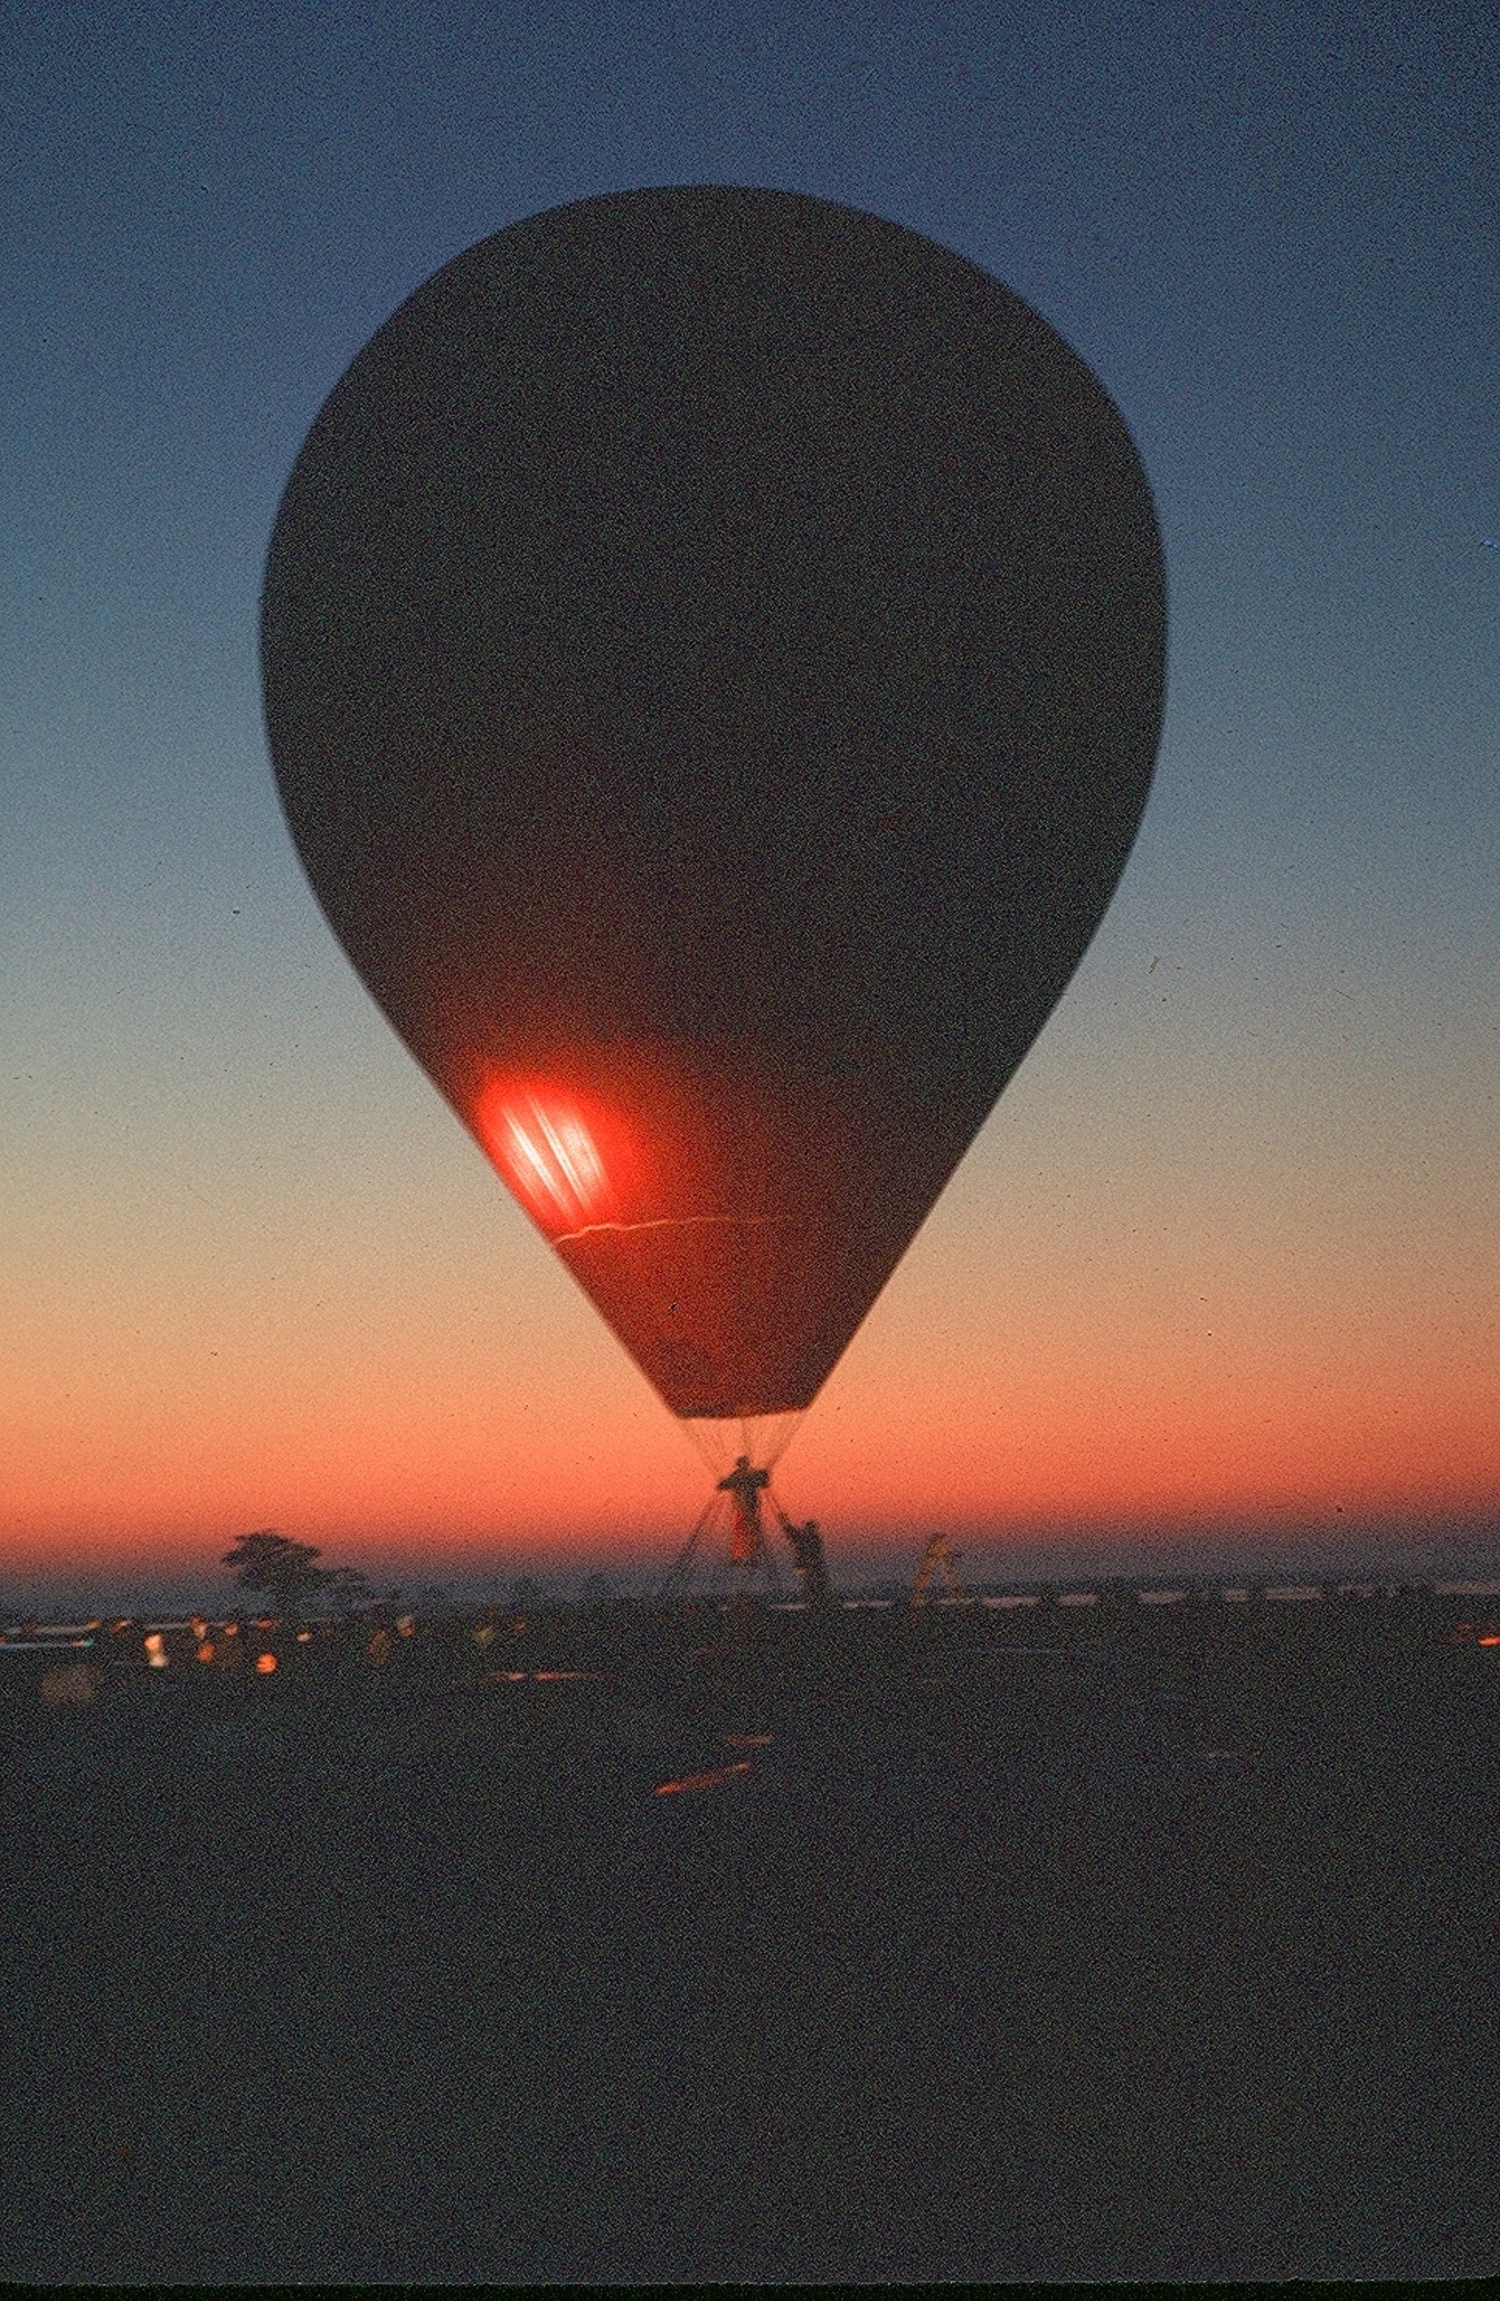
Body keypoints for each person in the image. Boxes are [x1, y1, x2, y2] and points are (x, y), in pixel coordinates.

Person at [718, 1455, 770, 1567]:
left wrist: (722, 1483)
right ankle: (745, 1556)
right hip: (745, 1508)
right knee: (746, 1532)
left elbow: (723, 1485)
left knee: (745, 1532)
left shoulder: (739, 1476)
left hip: (745, 1508)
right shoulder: (750, 1475)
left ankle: (743, 1556)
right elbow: (764, 1482)